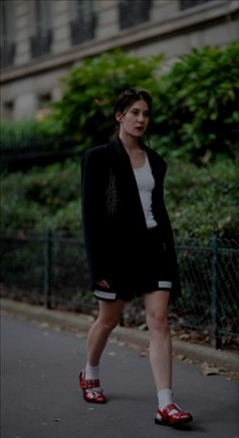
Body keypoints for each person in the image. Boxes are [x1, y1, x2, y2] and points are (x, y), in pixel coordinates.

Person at [80, 89, 193, 427]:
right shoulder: (98, 158)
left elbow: (158, 209)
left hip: (154, 247)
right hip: (116, 252)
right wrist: (97, 265)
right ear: (120, 116)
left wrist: (170, 256)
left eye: (145, 113)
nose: (141, 119)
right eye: (134, 113)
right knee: (109, 318)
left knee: (159, 320)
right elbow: (92, 216)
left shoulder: (156, 161)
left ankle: (166, 404)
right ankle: (90, 373)